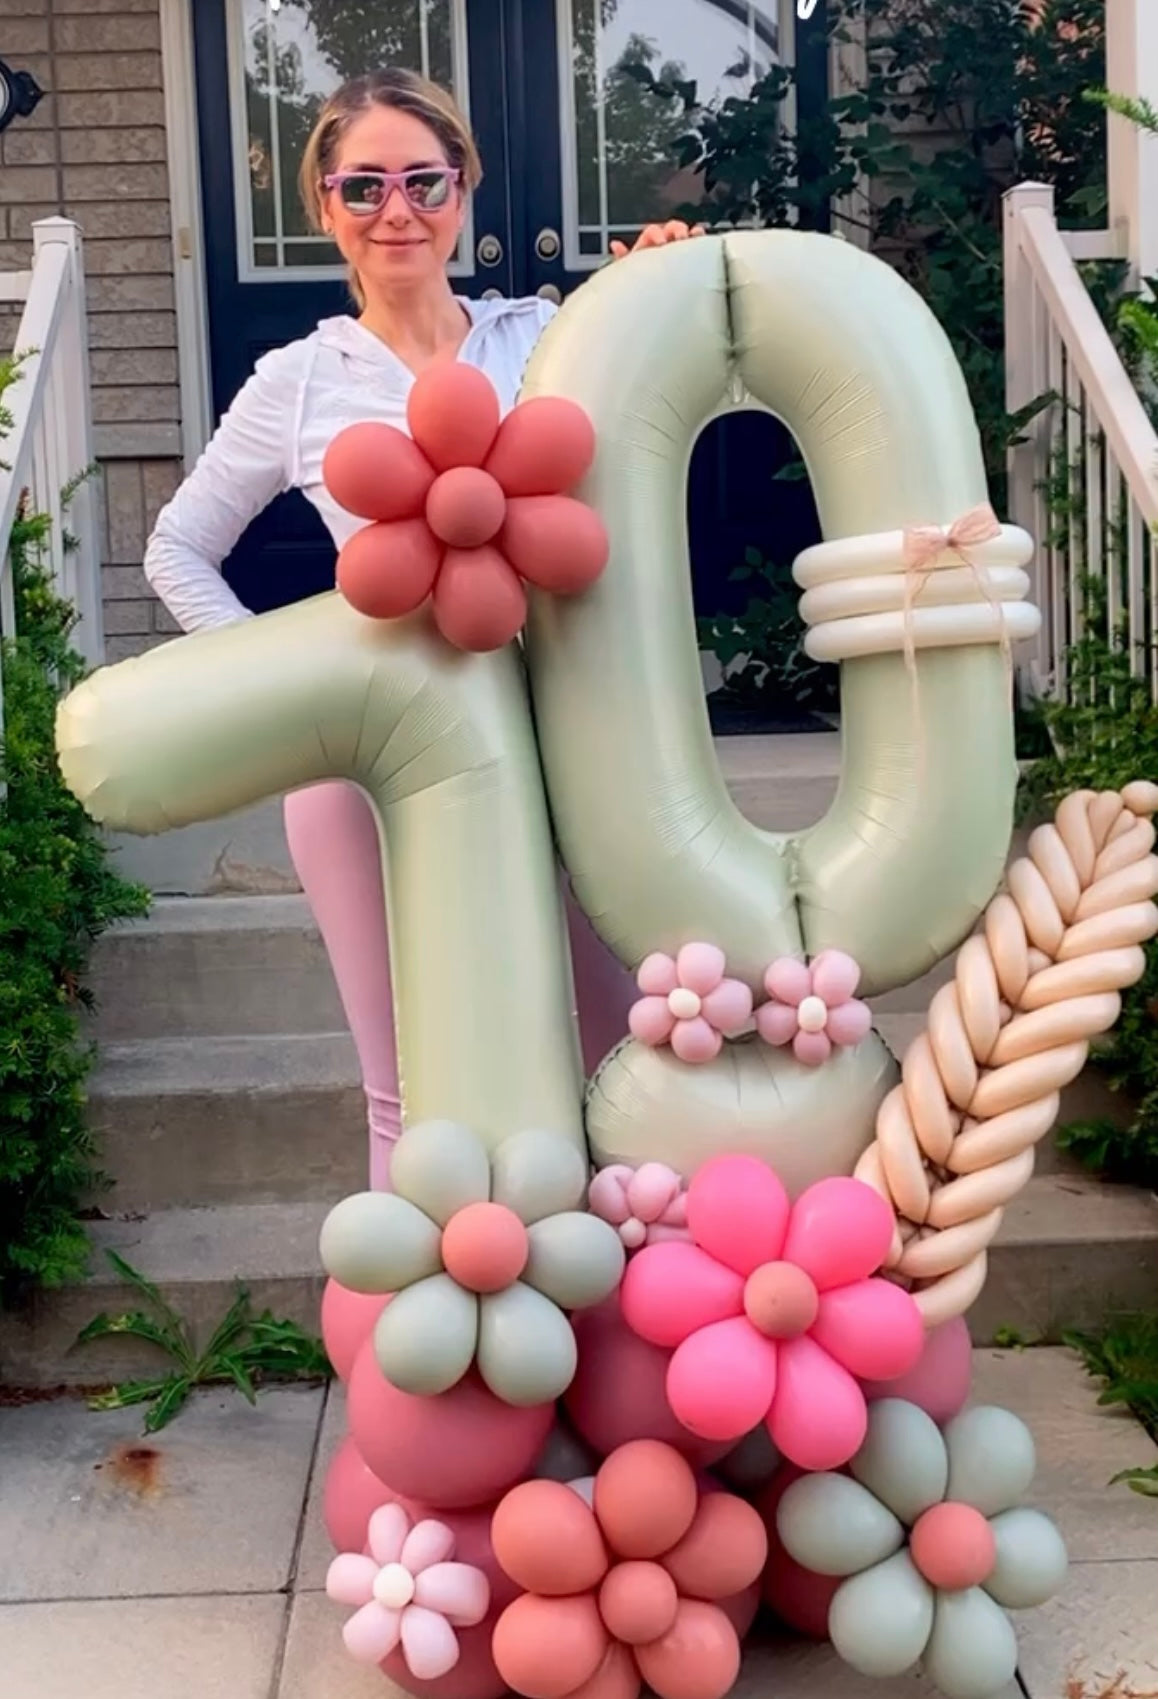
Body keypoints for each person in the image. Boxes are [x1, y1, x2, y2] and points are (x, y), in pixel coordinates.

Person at [144, 68, 706, 1189]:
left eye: (422, 181)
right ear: (324, 208)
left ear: (465, 190)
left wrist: (652, 294)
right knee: (409, 1082)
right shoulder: (295, 382)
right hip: (369, 770)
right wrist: (288, 676)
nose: (395, 210)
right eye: (362, 187)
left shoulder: (548, 338)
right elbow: (176, 548)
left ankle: (616, 1335)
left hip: (560, 739)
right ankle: (433, 1350)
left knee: (619, 1049)